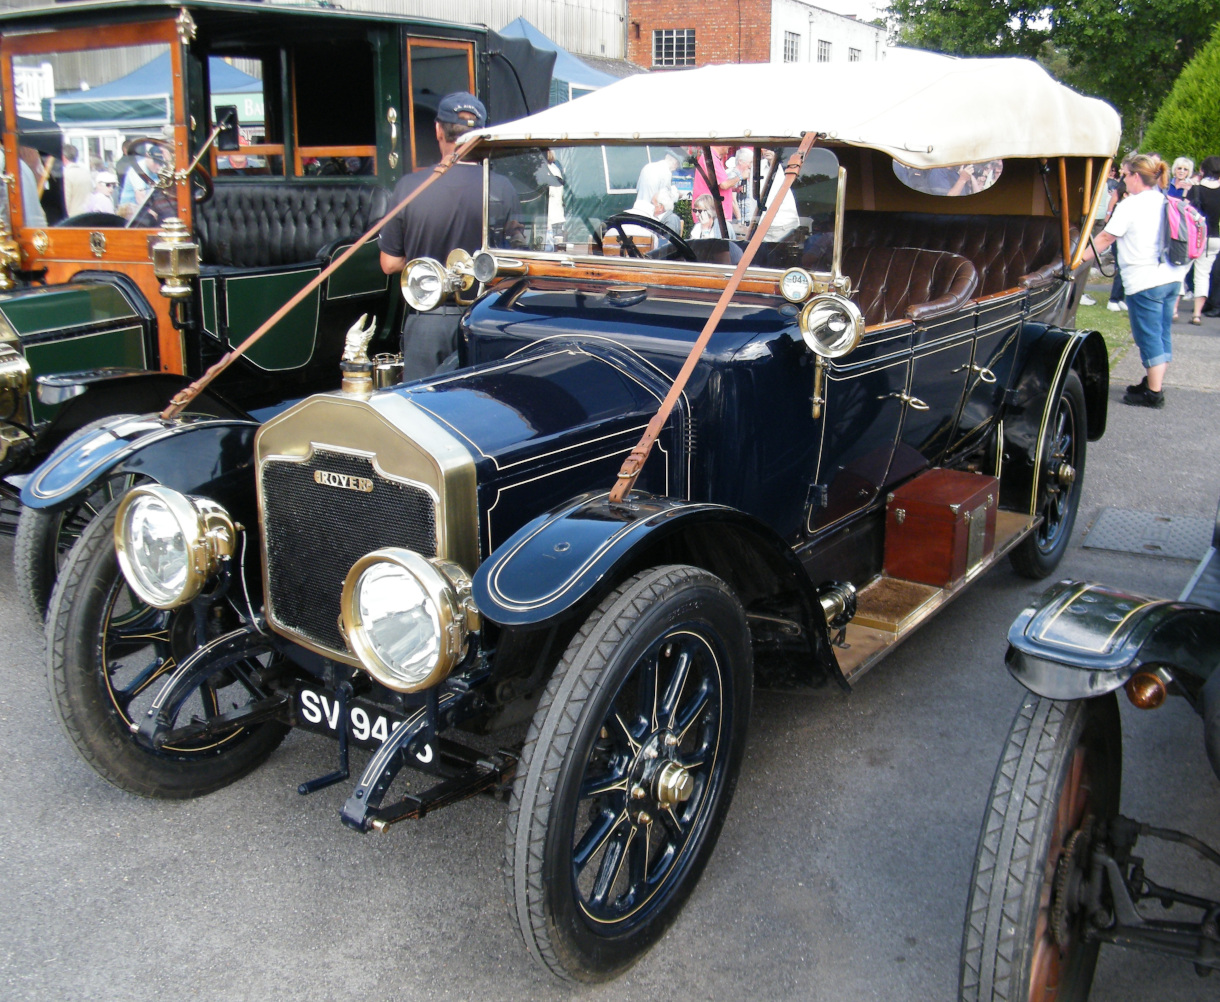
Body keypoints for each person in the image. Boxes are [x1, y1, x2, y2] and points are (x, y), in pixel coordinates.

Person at [379, 91, 518, 380]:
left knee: (422, 413)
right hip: (485, 318)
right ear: (480, 135)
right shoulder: (503, 189)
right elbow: (513, 259)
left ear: (439, 130)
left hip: (428, 319)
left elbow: (389, 264)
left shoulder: (409, 187)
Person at [1080, 154, 1189, 408]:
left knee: (1148, 336)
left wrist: (1076, 260)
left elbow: (1106, 237)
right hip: (1171, 276)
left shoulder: (1132, 205)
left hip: (1145, 280)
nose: (1123, 180)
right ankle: (1154, 382)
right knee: (1161, 333)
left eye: (1126, 175)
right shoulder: (1165, 200)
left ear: (1136, 177)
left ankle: (1153, 393)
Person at [1184, 156, 1220, 325]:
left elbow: (1183, 211)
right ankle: (1197, 314)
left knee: (1182, 271)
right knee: (1203, 275)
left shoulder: (1196, 190)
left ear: (1203, 170)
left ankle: (1174, 311)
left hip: (1195, 237)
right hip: (1215, 237)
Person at [62, 144, 92, 217]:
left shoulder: (66, 175)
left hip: (73, 218)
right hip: (88, 215)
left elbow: (66, 201)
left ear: (63, 157)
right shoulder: (86, 173)